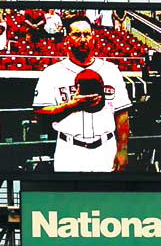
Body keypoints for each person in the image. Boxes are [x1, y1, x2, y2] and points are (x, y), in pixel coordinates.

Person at [33, 16, 131, 172]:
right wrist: (72, 105)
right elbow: (40, 113)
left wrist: (122, 150)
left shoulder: (111, 70)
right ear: (67, 38)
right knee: (71, 196)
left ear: (93, 37)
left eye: (87, 34)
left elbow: (122, 114)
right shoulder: (51, 73)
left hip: (106, 147)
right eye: (77, 34)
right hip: (70, 148)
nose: (83, 39)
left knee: (107, 195)